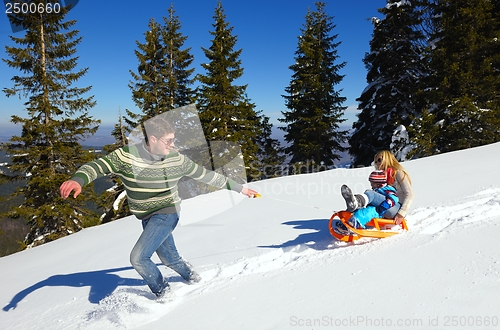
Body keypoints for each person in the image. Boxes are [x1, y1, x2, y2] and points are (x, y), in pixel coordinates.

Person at [59, 117, 258, 299]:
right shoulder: (126, 157)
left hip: (167, 212)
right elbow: (96, 166)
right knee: (170, 259)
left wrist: (241, 189)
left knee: (138, 258)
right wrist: (78, 180)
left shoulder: (177, 160)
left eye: (173, 140)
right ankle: (195, 277)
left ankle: (164, 294)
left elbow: (207, 175)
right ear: (153, 139)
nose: (173, 145)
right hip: (146, 216)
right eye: (168, 141)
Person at [336, 170, 399, 235]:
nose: (371, 184)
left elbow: (394, 198)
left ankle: (356, 205)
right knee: (367, 210)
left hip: (392, 210)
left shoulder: (387, 188)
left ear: (379, 183)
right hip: (380, 211)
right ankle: (348, 222)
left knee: (370, 194)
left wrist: (385, 205)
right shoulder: (376, 190)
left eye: (372, 182)